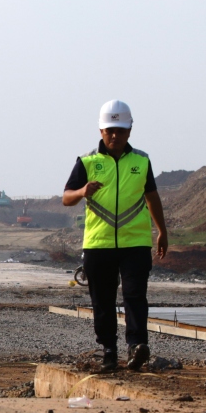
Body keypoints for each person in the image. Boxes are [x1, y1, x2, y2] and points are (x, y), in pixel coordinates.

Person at [61, 100, 168, 373]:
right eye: (110, 130)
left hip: (136, 243)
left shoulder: (141, 161)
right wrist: (82, 191)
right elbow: (66, 197)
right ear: (101, 131)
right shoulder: (87, 162)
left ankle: (137, 346)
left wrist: (162, 231)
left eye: (120, 130)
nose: (115, 135)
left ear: (129, 130)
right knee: (103, 301)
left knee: (135, 295)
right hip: (99, 244)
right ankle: (109, 351)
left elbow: (152, 197)